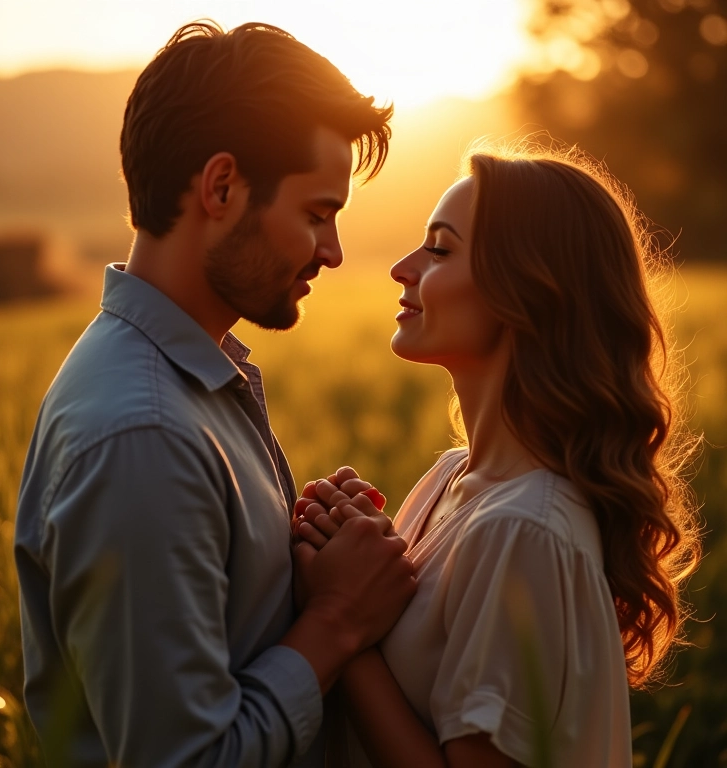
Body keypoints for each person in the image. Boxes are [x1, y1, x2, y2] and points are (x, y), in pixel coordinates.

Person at [14, 21, 416, 768]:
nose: (332, 252)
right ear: (222, 187)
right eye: (317, 213)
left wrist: (311, 556)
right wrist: (337, 618)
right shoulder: (144, 435)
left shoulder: (186, 386)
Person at [295, 144, 701, 767]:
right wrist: (354, 543)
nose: (402, 269)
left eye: (439, 250)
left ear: (528, 289)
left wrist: (342, 625)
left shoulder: (523, 530)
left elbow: (361, 630)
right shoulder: (451, 478)